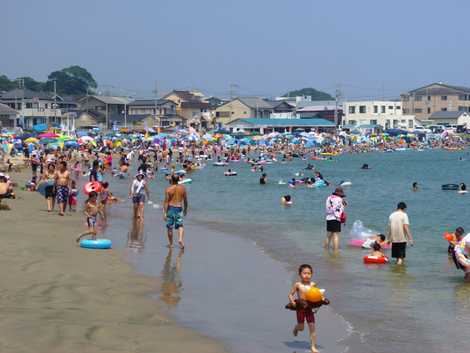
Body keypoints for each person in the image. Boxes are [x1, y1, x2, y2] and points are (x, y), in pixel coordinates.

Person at [287, 264, 319, 353]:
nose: (307, 275)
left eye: (309, 273)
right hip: (300, 308)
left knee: (312, 327)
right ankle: (296, 328)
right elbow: (290, 294)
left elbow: (317, 295)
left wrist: (322, 300)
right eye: (304, 273)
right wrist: (292, 301)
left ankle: (313, 347)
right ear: (300, 274)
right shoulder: (297, 284)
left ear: (312, 274)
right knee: (301, 327)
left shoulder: (313, 284)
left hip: (309, 308)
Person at [163, 174, 188, 249]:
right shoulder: (183, 188)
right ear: (178, 180)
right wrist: (185, 209)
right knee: (180, 225)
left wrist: (165, 212)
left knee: (170, 227)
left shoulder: (168, 189)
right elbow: (185, 201)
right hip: (179, 208)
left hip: (171, 208)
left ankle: (171, 244)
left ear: (172, 180)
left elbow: (166, 202)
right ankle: (180, 239)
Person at [324, 187, 346, 251]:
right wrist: (343, 202)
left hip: (328, 217)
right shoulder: (339, 199)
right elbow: (340, 209)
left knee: (328, 235)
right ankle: (336, 251)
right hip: (335, 218)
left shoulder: (328, 198)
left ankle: (325, 249)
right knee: (335, 235)